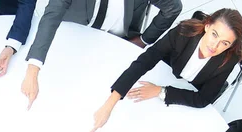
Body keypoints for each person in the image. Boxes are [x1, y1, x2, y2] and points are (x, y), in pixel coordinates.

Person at [91, 9, 242, 132]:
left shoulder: (229, 60)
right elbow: (146, 61)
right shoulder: (183, 32)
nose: (214, 46)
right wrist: (110, 103)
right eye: (214, 34)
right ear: (207, 26)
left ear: (230, 46)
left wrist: (161, 91)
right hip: (168, 69)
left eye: (224, 43)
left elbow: (202, 99)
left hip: (190, 88)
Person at [21, 0, 183, 109]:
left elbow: (173, 7)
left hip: (117, 45)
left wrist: (144, 39)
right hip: (74, 38)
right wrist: (33, 69)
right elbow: (52, 14)